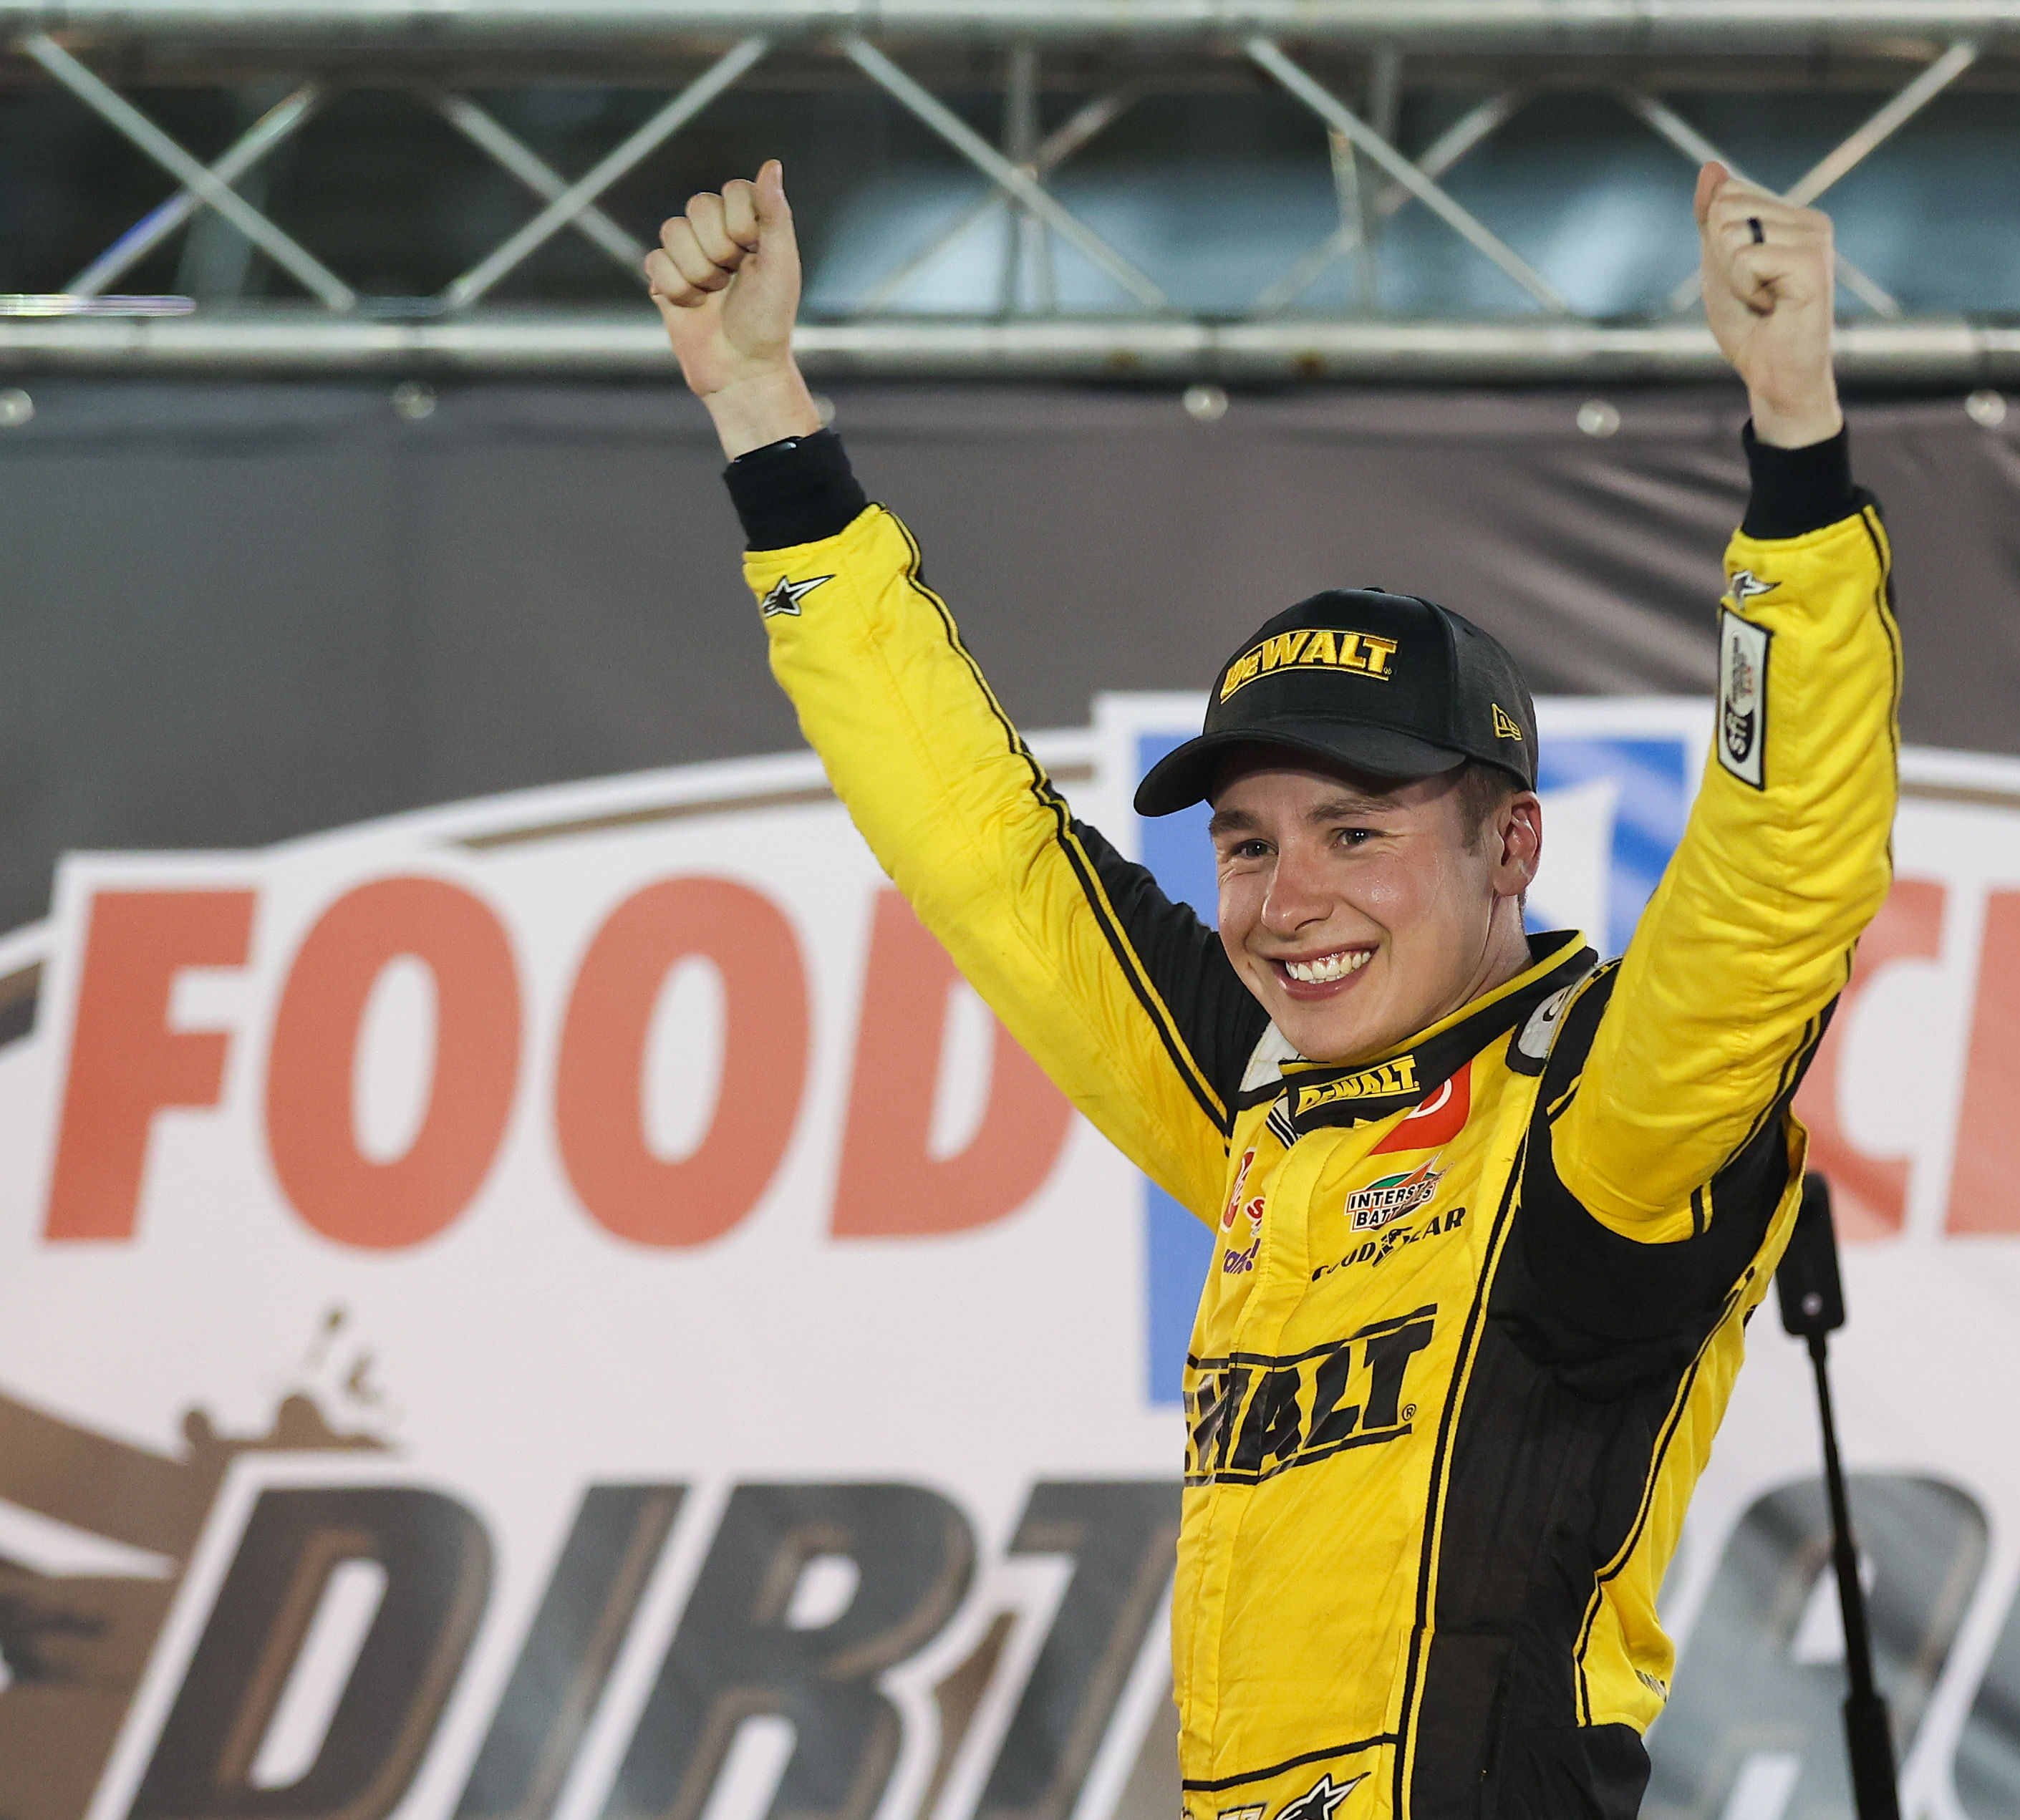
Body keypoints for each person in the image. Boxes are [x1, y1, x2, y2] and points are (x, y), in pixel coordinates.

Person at [648, 157, 1898, 1820]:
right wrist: (763, 419)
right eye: (1244, 843)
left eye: (1355, 830)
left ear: (1507, 843)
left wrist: (1797, 463)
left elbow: (1779, 875)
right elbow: (982, 853)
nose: (1284, 899)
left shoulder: (1600, 1122)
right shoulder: (1257, 1106)